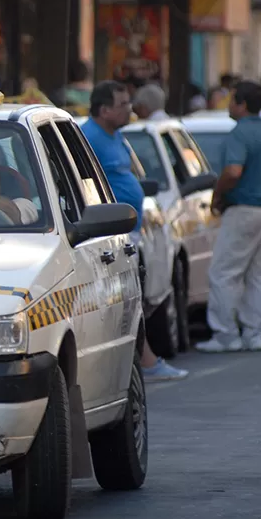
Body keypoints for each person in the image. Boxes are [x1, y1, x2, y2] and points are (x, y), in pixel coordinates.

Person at [80, 80, 188, 381]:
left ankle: (141, 362)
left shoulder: (116, 137)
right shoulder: (89, 138)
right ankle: (147, 362)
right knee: (129, 301)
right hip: (111, 234)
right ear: (104, 110)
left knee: (134, 299)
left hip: (132, 232)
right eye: (123, 104)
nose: (131, 108)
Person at [196, 81, 261, 354]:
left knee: (223, 272)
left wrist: (218, 195)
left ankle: (226, 335)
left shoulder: (239, 134)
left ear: (241, 104)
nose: (229, 105)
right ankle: (255, 333)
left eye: (231, 100)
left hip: (242, 209)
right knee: (257, 274)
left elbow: (232, 172)